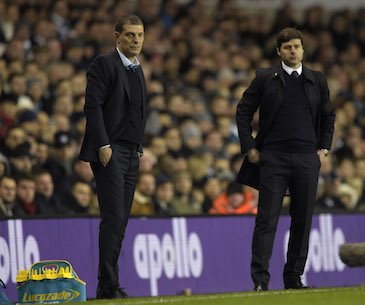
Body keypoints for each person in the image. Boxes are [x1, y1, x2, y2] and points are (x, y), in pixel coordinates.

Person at [236, 28, 335, 291]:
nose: (293, 51)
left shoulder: (317, 79)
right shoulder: (265, 77)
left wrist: (324, 148)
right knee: (266, 220)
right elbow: (243, 110)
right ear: (278, 51)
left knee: (302, 220)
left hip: (306, 158)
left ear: (303, 50)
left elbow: (328, 116)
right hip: (273, 158)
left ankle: (294, 278)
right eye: (288, 47)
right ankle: (260, 281)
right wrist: (249, 148)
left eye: (297, 47)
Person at [79, 14, 146, 299]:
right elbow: (92, 106)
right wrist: (102, 144)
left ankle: (108, 284)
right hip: (111, 151)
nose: (136, 40)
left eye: (140, 35)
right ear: (116, 36)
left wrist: (139, 147)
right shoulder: (104, 63)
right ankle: (108, 285)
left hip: (131, 154)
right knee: (114, 218)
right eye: (130, 34)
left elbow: (136, 112)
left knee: (121, 221)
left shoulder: (138, 69)